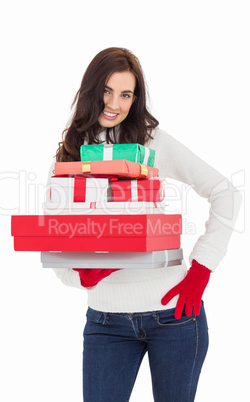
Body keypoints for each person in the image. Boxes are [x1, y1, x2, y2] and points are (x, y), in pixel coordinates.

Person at [46, 47, 242, 402]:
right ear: (91, 91)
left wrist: (201, 271)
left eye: (126, 94)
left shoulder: (151, 143)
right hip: (105, 323)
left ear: (135, 99)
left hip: (176, 317)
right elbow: (51, 241)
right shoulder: (68, 158)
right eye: (106, 90)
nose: (114, 103)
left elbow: (225, 192)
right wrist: (82, 273)